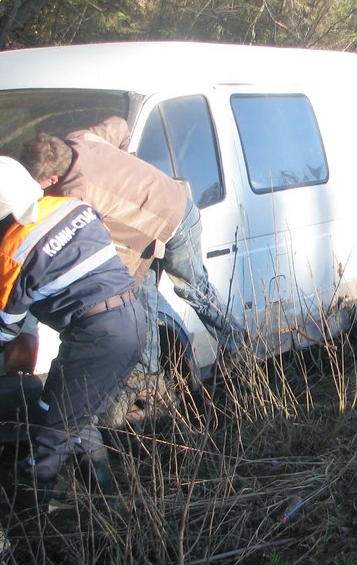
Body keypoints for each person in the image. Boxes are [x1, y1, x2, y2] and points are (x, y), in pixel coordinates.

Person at [0, 155, 146, 504]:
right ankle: (112, 511)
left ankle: (26, 539)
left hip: (96, 338)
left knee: (49, 438)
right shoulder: (75, 208)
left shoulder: (12, 255)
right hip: (130, 318)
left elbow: (4, 328)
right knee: (72, 418)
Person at [18, 119, 244, 381]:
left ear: (52, 179)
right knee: (138, 298)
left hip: (175, 215)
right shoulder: (81, 137)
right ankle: (148, 376)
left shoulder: (75, 195)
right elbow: (120, 125)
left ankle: (237, 344)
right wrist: (124, 165)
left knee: (191, 287)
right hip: (141, 234)